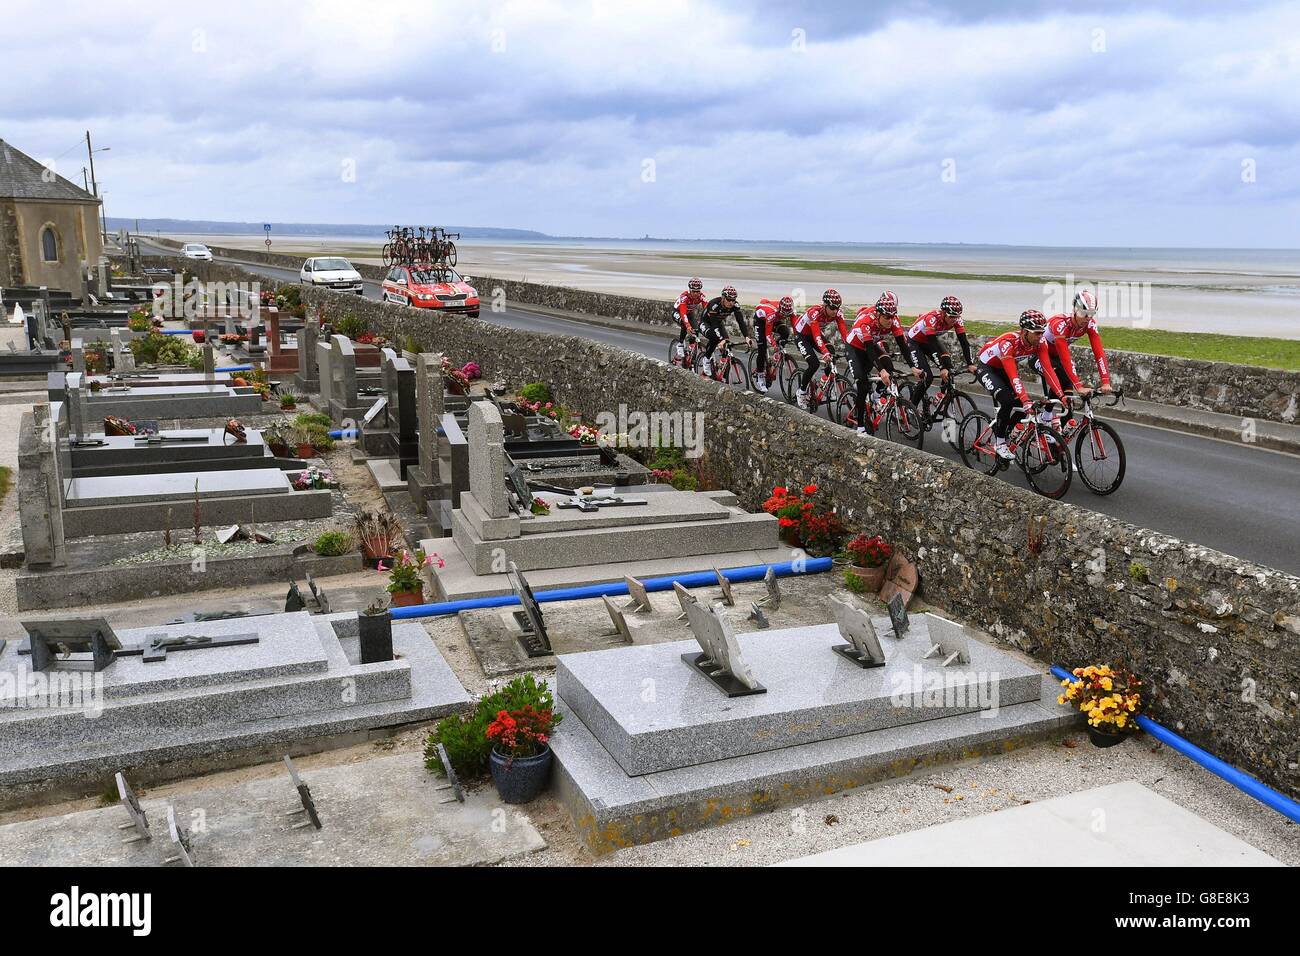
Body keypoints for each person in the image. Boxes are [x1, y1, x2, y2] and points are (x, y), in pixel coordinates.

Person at [974, 310, 1065, 460]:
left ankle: (1007, 433)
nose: (1040, 336)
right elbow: (1014, 376)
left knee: (1024, 407)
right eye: (1036, 333)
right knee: (1008, 400)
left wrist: (1061, 395)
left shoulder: (1040, 342)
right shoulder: (1008, 343)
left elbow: (1048, 370)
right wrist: (1025, 399)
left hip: (1003, 368)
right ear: (1024, 332)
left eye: (1042, 332)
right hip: (987, 368)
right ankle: (1000, 442)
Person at [844, 291, 921, 434]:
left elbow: (902, 345)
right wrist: (881, 371)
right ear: (878, 315)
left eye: (892, 317)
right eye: (886, 317)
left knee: (889, 366)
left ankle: (876, 395)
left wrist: (913, 366)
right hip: (855, 347)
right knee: (862, 383)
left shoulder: (893, 320)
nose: (890, 320)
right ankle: (860, 427)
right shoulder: (866, 322)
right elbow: (868, 350)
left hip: (871, 344)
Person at [1035, 289, 1113, 421]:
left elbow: (1099, 353)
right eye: (1083, 313)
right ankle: (1045, 417)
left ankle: (1058, 438)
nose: (1087, 318)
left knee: (1068, 403)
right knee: (1061, 377)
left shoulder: (1090, 324)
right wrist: (1079, 386)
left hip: (1056, 357)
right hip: (1038, 355)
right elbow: (1065, 357)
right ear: (1075, 309)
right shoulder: (1060, 324)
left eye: (1091, 314)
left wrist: (1106, 382)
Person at [906, 295, 975, 408]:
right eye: (951, 316)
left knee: (950, 368)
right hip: (915, 342)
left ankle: (940, 396)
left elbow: (964, 342)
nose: (954, 320)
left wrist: (970, 363)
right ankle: (911, 408)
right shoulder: (932, 319)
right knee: (927, 377)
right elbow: (933, 345)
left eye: (956, 317)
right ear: (943, 313)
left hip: (929, 340)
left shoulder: (957, 320)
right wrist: (941, 367)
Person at [792, 289, 848, 410]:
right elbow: (817, 336)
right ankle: (801, 392)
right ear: (825, 305)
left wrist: (850, 348)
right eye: (832, 308)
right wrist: (824, 352)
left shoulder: (838, 313)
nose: (835, 311)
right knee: (814, 363)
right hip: (801, 335)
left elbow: (844, 332)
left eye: (837, 308)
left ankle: (825, 382)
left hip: (813, 334)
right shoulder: (815, 312)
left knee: (832, 353)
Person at [697, 285, 754, 376]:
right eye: (729, 299)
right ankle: (706, 359)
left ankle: (722, 364)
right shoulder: (714, 304)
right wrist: (721, 339)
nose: (731, 302)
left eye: (733, 300)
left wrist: (747, 337)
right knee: (715, 338)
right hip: (706, 323)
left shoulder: (735, 305)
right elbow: (714, 325)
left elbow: (741, 322)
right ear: (723, 297)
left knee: (726, 343)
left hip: (718, 323)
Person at [750, 295, 795, 393]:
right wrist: (774, 346)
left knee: (785, 332)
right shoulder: (772, 314)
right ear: (780, 310)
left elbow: (796, 327)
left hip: (775, 320)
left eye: (788, 315)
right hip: (761, 321)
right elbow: (768, 334)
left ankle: (775, 357)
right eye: (784, 315)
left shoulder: (789, 311)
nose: (786, 317)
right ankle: (760, 375)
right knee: (762, 348)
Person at [672, 277, 707, 360]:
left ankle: (691, 348)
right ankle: (680, 344)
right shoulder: (685, 297)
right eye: (693, 291)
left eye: (698, 291)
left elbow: (707, 309)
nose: (696, 294)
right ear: (689, 290)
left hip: (689, 313)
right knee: (685, 324)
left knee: (695, 329)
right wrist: (688, 325)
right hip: (678, 312)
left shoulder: (701, 296)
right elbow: (683, 314)